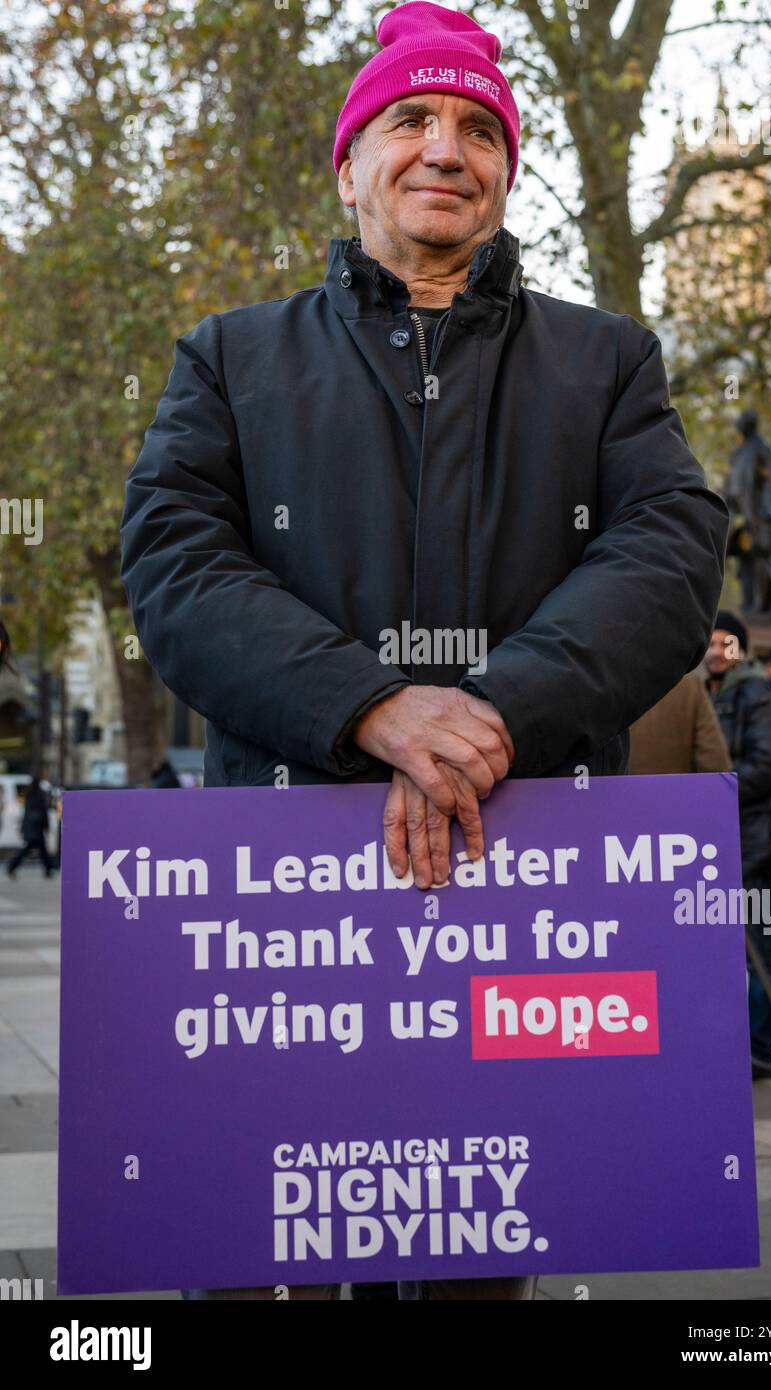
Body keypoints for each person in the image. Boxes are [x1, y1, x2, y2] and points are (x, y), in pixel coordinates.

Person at [120, 1, 729, 1301]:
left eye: (476, 128)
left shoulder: (606, 363)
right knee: (264, 1252)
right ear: (350, 165)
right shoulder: (227, 359)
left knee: (471, 1252)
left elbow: (670, 551)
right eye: (409, 120)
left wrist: (493, 710)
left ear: (507, 171)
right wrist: (371, 705)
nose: (444, 149)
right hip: (279, 911)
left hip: (520, 879)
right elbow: (176, 564)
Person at [705, 612, 771, 1080]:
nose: (717, 652)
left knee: (760, 948)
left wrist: (708, 791)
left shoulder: (760, 692)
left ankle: (761, 1049)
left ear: (743, 648)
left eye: (726, 644)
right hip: (720, 838)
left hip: (754, 844)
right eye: (711, 644)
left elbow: (768, 764)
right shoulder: (708, 692)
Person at [628, 669, 731, 775]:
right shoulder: (690, 683)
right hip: (677, 789)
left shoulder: (617, 680)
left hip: (623, 789)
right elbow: (714, 761)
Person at [6, 777, 53, 879]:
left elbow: (26, 814)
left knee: (36, 850)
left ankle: (12, 867)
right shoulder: (39, 795)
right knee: (38, 851)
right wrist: (46, 826)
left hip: (30, 829)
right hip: (36, 829)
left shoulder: (29, 795)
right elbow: (43, 813)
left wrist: (23, 828)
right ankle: (11, 867)